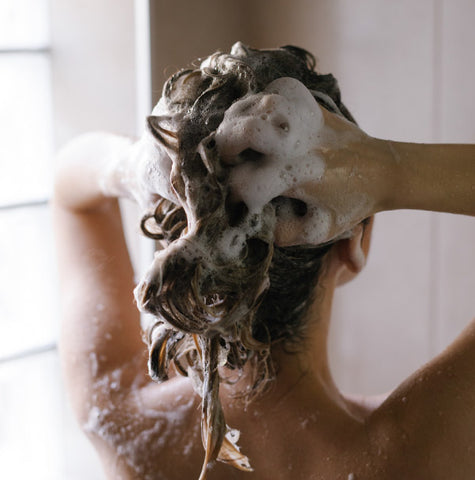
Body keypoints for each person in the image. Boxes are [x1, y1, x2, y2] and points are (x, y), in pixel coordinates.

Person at [53, 43, 475, 480]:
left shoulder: (124, 422)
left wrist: (134, 164)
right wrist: (388, 169)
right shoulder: (414, 453)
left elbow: (70, 189)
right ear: (354, 241)